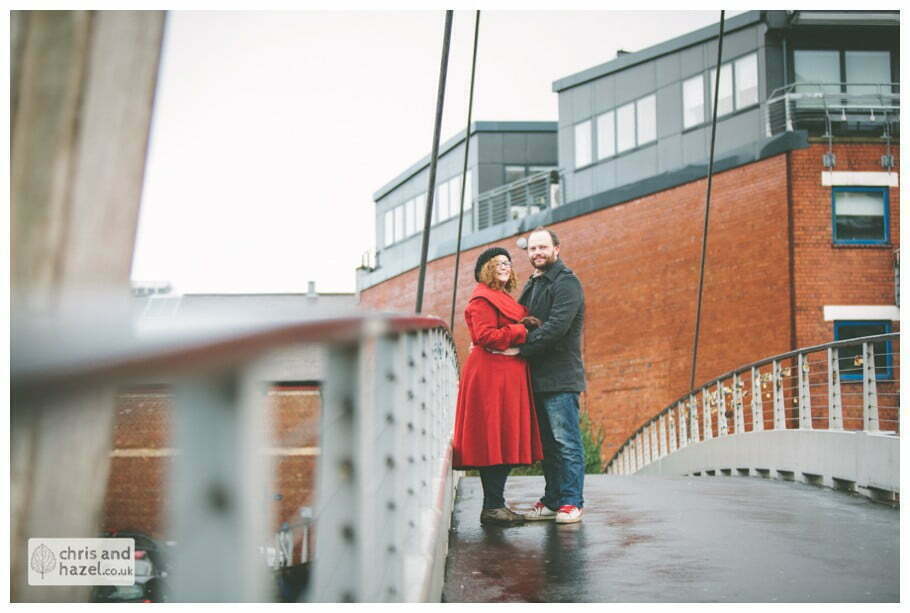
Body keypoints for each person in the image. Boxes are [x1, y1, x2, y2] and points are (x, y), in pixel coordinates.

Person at [452, 247, 545, 525]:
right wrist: (521, 330)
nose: (505, 266)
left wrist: (521, 328)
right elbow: (484, 335)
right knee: (492, 438)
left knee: (503, 438)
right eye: (498, 263)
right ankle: (492, 507)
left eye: (507, 262)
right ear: (486, 269)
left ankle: (495, 505)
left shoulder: (503, 298)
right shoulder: (481, 300)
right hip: (491, 376)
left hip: (507, 374)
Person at [517, 227, 587, 524]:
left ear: (556, 249)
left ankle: (572, 502)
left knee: (566, 442)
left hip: (561, 377)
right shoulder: (532, 285)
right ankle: (552, 499)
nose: (537, 253)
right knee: (548, 445)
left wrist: (518, 349)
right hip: (537, 378)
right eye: (533, 249)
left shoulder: (567, 283)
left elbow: (556, 328)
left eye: (543, 248)